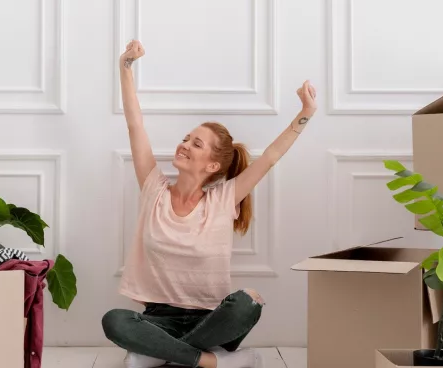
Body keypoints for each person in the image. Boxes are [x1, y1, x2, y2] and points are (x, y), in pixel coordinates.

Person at [102, 40, 317, 368]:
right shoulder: (153, 189)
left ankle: (157, 355)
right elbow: (135, 125)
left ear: (213, 165)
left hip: (212, 320)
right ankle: (211, 361)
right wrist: (125, 66)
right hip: (160, 318)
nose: (184, 144)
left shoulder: (224, 199)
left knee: (247, 303)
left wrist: (305, 114)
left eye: (196, 143)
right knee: (114, 320)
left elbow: (271, 158)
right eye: (186, 138)